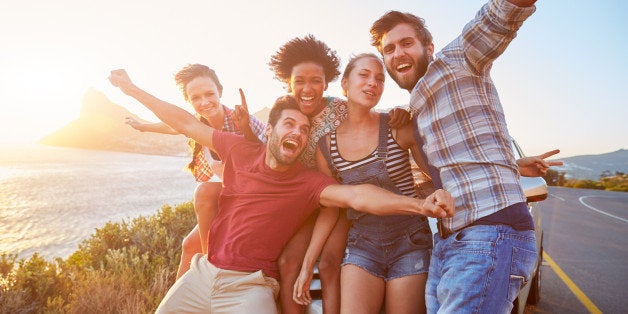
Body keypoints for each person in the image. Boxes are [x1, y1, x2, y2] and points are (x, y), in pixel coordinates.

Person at [108, 68, 456, 313]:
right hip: (203, 274)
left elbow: (357, 195)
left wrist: (419, 205)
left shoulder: (308, 182)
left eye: (304, 129)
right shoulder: (238, 149)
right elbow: (183, 121)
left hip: (250, 287)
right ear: (270, 129)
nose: (299, 132)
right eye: (289, 124)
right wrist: (132, 89)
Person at [370, 0, 562, 312]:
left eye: (407, 43)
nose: (398, 54)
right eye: (389, 49)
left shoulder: (458, 60)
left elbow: (502, 15)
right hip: (447, 246)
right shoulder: (411, 115)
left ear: (429, 46)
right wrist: (511, 164)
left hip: (490, 235)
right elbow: (436, 182)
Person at [293, 53, 435, 313]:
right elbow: (331, 208)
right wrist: (306, 265)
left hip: (411, 241)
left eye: (380, 79)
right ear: (345, 83)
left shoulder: (397, 126)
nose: (373, 83)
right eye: (364, 75)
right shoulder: (326, 147)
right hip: (362, 244)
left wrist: (512, 166)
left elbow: (437, 173)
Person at [123, 64, 267, 280]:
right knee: (190, 245)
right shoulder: (196, 124)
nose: (204, 102)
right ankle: (175, 304)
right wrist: (143, 126)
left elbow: (271, 157)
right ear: (189, 101)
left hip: (258, 196)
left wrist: (246, 129)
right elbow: (173, 126)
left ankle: (210, 267)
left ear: (220, 91)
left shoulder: (242, 120)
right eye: (196, 98)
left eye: (209, 94)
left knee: (205, 192)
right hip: (233, 194)